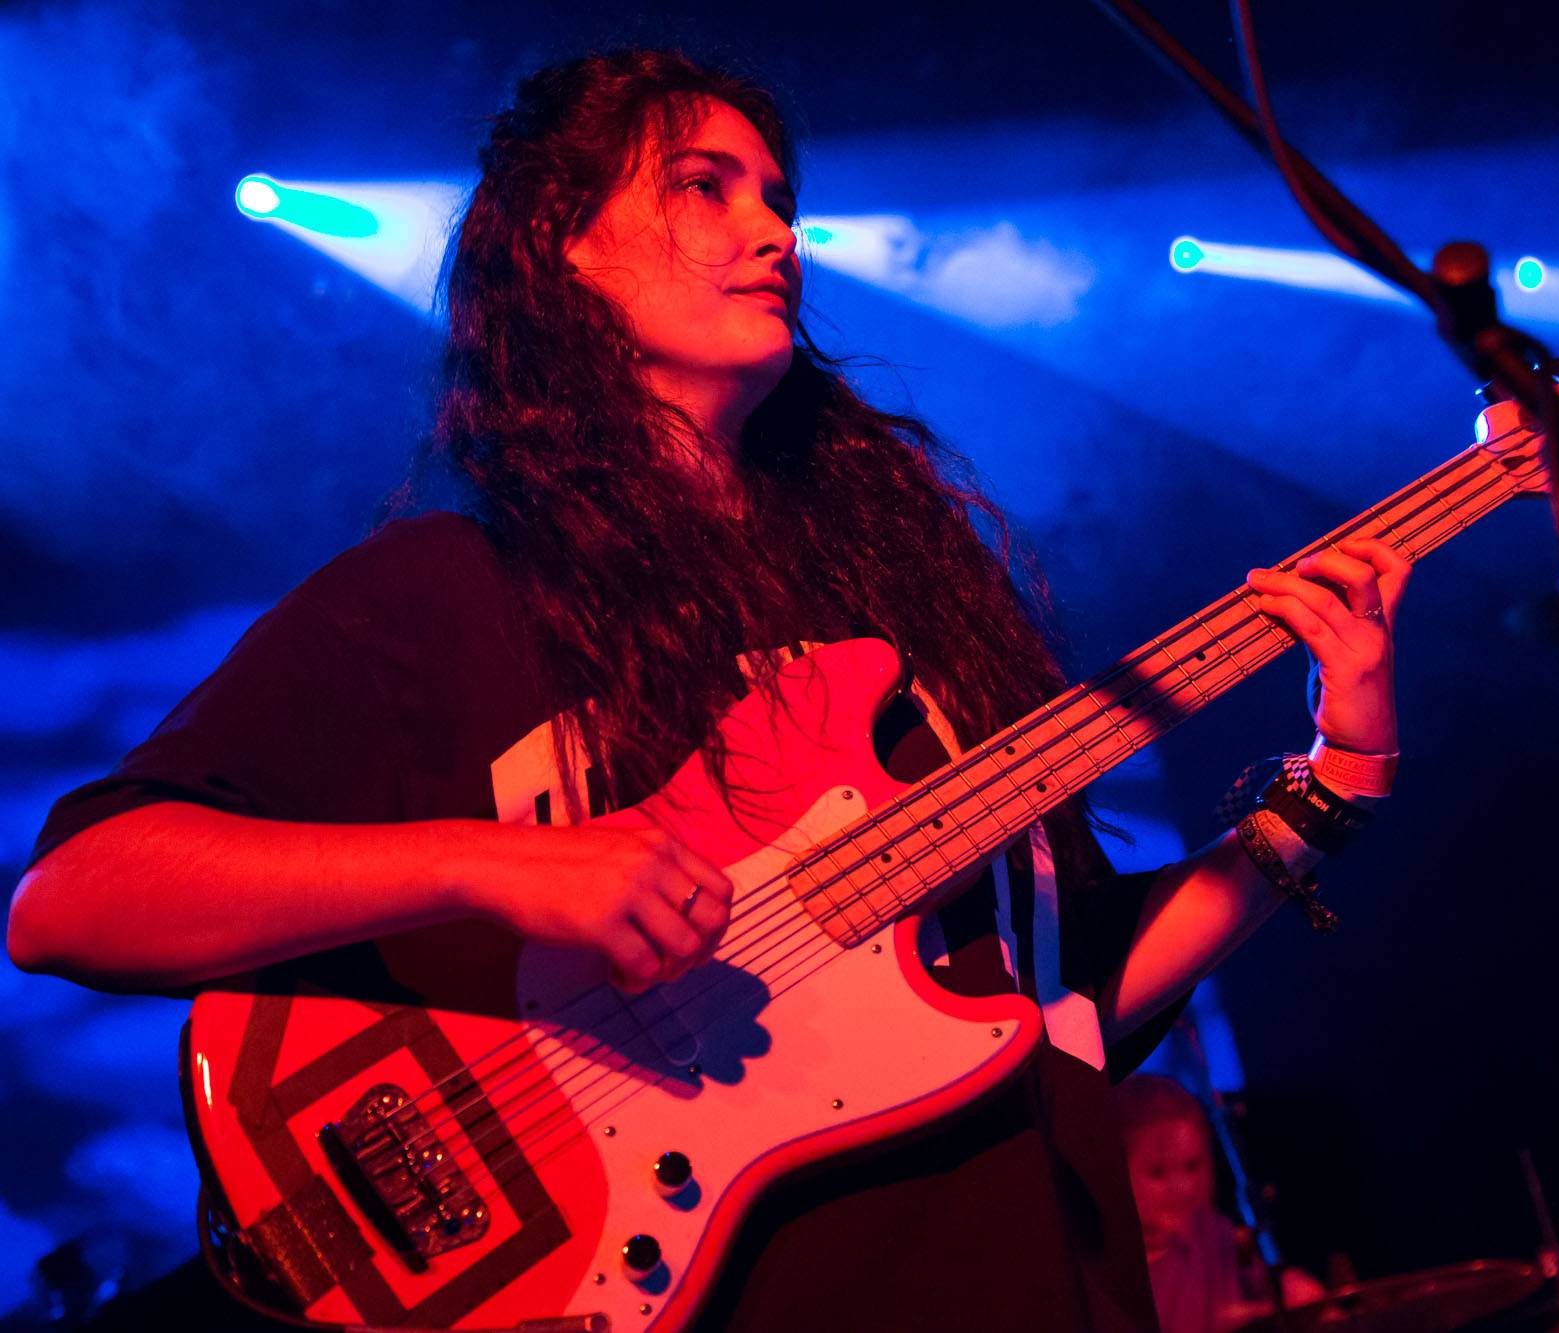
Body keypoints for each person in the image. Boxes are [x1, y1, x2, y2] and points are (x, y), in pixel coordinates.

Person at [7, 49, 1410, 1333]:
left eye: (779, 196)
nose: (772, 230)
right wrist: (494, 865)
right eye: (704, 186)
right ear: (564, 249)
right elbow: (75, 899)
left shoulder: (920, 612)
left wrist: (1334, 776)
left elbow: (1069, 994)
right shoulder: (445, 598)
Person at [1115, 1074, 1327, 1333]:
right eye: (1157, 1172)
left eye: (1193, 1166)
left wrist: (1291, 1290)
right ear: (1116, 1174)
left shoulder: (1216, 1234)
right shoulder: (1110, 1275)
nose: (1183, 1188)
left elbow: (1271, 1290)